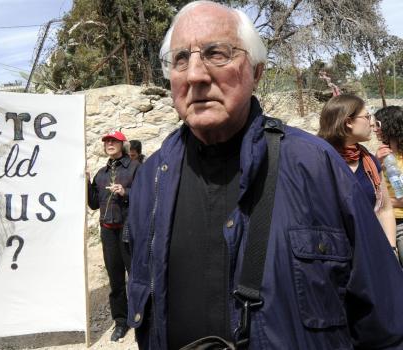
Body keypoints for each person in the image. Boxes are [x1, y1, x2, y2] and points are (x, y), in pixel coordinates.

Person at [125, 2, 403, 349]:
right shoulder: (150, 181)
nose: (195, 74)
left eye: (216, 53)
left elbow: (387, 324)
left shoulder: (314, 165)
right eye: (181, 59)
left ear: (256, 72)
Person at [318, 95, 397, 249]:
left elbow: (385, 210)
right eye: (367, 117)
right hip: (331, 254)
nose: (373, 123)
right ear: (348, 122)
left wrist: (391, 249)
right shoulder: (318, 160)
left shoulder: (370, 162)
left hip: (369, 248)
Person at [87, 130, 140, 342]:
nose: (109, 144)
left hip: (129, 228)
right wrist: (86, 182)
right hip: (108, 230)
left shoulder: (135, 168)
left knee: (136, 276)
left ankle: (140, 319)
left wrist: (126, 193)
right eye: (106, 141)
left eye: (113, 141)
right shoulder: (101, 174)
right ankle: (121, 321)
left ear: (122, 143)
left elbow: (147, 196)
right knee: (116, 279)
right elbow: (92, 203)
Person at [375, 105, 403, 262]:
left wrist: (382, 202)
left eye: (377, 124)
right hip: (383, 222)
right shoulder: (380, 155)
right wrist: (375, 163)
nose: (374, 129)